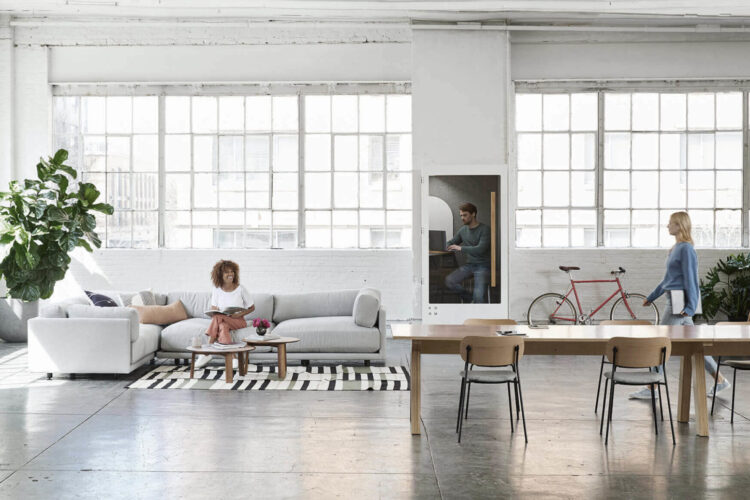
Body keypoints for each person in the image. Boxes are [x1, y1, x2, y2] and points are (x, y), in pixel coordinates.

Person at [629, 211, 730, 399]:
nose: (668, 226)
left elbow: (691, 280)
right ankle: (721, 380)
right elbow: (668, 279)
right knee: (695, 347)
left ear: (680, 225)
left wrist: (690, 307)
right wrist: (651, 297)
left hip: (679, 303)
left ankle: (652, 388)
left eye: (671, 223)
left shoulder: (686, 249)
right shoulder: (674, 249)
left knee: (659, 342)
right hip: (673, 299)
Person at [194, 260, 255, 369]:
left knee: (218, 318)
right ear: (220, 275)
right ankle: (234, 358)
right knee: (222, 326)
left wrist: (239, 314)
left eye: (232, 272)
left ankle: (206, 352)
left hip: (238, 320)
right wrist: (215, 312)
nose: (230, 274)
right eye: (227, 272)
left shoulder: (241, 289)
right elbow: (214, 307)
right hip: (222, 320)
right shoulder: (216, 289)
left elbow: (252, 308)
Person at [445, 202, 492, 304]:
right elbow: (452, 242)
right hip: (469, 265)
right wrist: (447, 245)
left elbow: (480, 249)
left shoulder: (485, 230)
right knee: (450, 281)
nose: (462, 218)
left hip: (483, 266)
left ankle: (479, 316)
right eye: (461, 215)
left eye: (465, 215)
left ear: (473, 214)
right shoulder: (463, 230)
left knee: (479, 297)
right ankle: (469, 298)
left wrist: (460, 248)